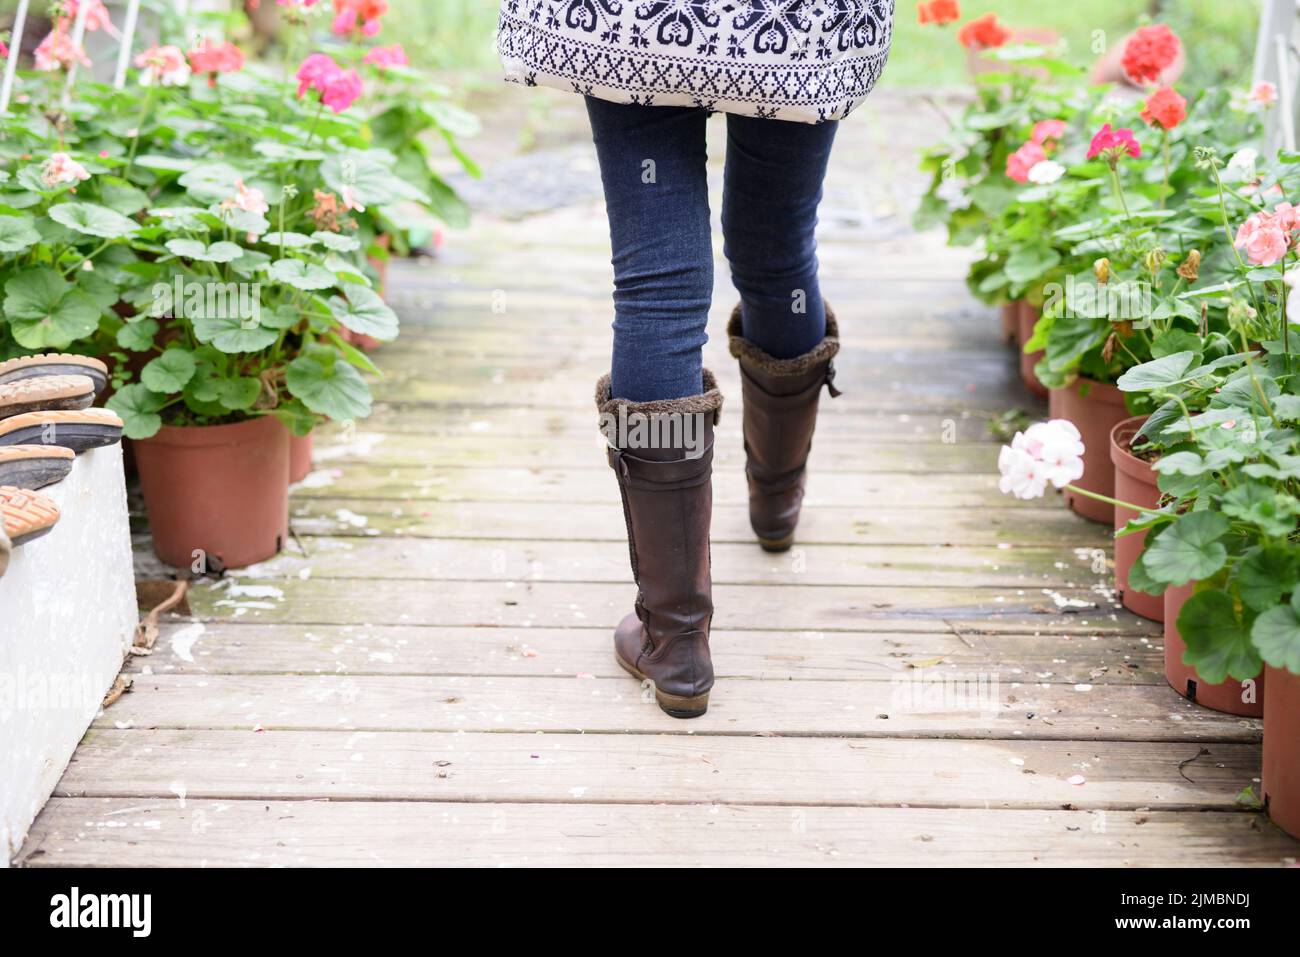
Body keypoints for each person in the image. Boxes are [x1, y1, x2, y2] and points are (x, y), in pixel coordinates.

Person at [496, 2, 896, 717]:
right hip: (794, 25)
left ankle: (676, 642)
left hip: (639, 22)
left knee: (658, 286)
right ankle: (777, 499)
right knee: (777, 251)